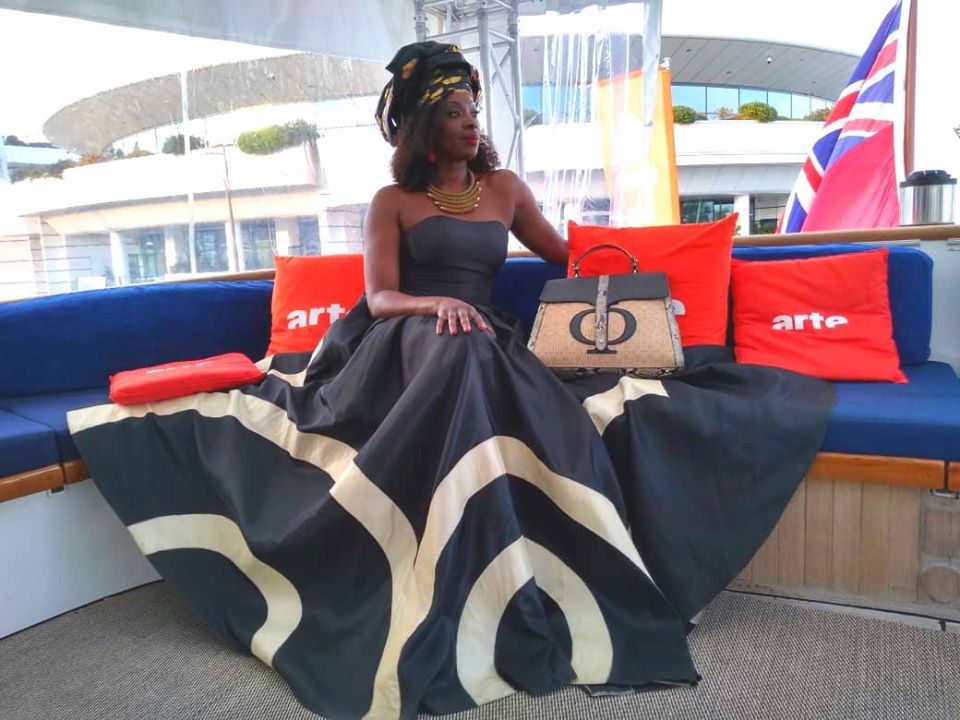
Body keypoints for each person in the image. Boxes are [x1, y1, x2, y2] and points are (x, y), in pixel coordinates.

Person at [69, 42, 834, 720]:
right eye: (454, 112)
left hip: (478, 334)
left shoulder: (504, 190)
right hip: (401, 336)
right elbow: (379, 297)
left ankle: (503, 565)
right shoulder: (392, 202)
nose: (471, 122)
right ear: (421, 128)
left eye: (473, 109)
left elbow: (571, 256)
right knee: (462, 346)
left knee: (477, 348)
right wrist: (433, 303)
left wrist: (654, 282)